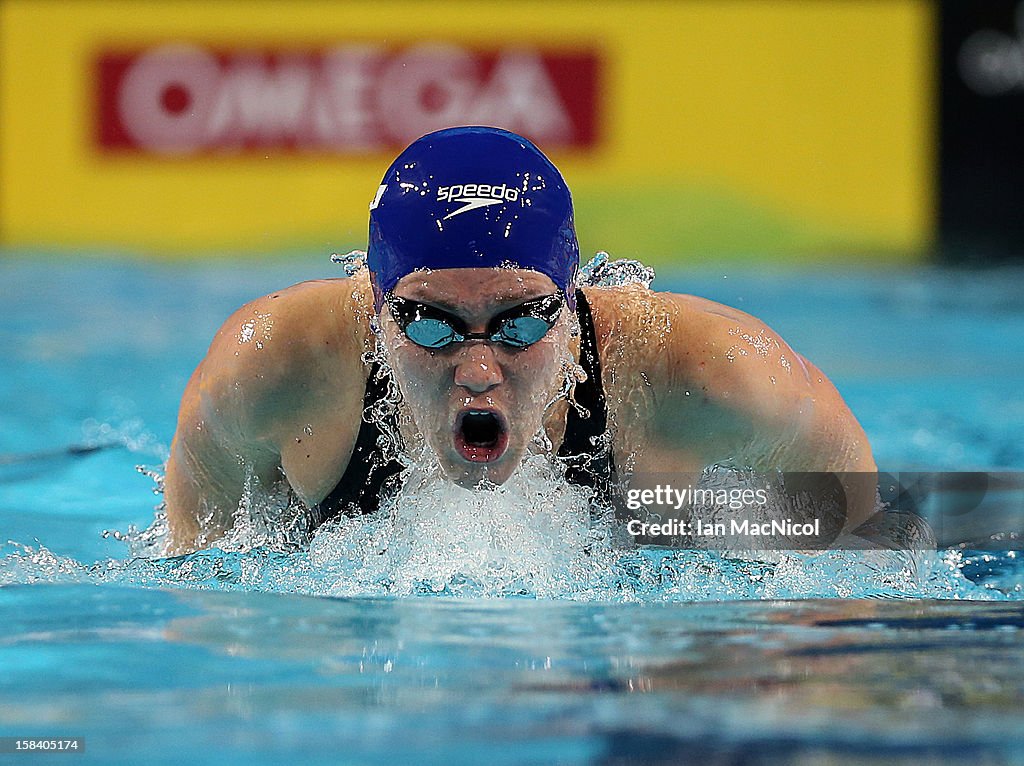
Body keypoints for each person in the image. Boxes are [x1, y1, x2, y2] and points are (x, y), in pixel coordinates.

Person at [164, 126, 877, 555]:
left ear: (571, 304)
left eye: (523, 322)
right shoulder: (276, 370)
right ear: (377, 306)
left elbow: (867, 563)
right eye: (429, 323)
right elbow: (194, 588)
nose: (478, 369)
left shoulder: (715, 379)